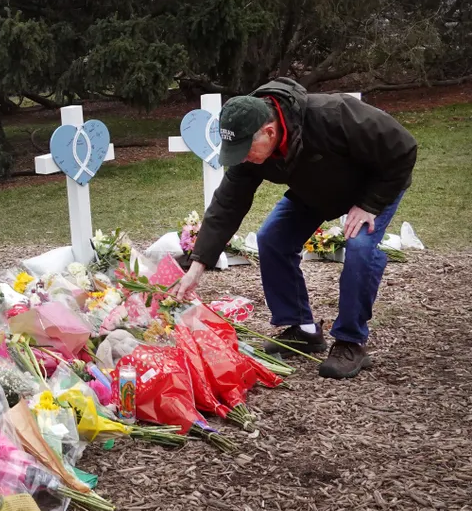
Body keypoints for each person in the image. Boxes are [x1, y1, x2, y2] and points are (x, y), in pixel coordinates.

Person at [173, 78, 417, 379]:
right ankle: (302, 329)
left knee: (360, 249)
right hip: (316, 190)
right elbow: (227, 205)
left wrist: (371, 204)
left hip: (372, 189)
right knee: (272, 238)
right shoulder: (250, 143)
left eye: (245, 150)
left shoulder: (333, 114)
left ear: (270, 132)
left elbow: (403, 148)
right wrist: (196, 268)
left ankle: (350, 342)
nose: (242, 158)